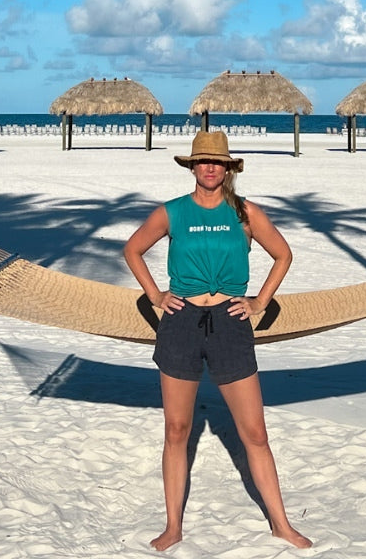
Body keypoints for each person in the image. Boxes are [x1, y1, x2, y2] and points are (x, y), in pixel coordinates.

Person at [123, 130, 312, 552]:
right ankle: (173, 527)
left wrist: (259, 301)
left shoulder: (245, 213)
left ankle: (281, 524)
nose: (210, 168)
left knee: (255, 432)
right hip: (181, 322)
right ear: (192, 167)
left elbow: (283, 255)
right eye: (202, 161)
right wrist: (155, 296)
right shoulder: (172, 212)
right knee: (177, 430)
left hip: (230, 322)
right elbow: (133, 250)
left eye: (218, 162)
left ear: (228, 169)